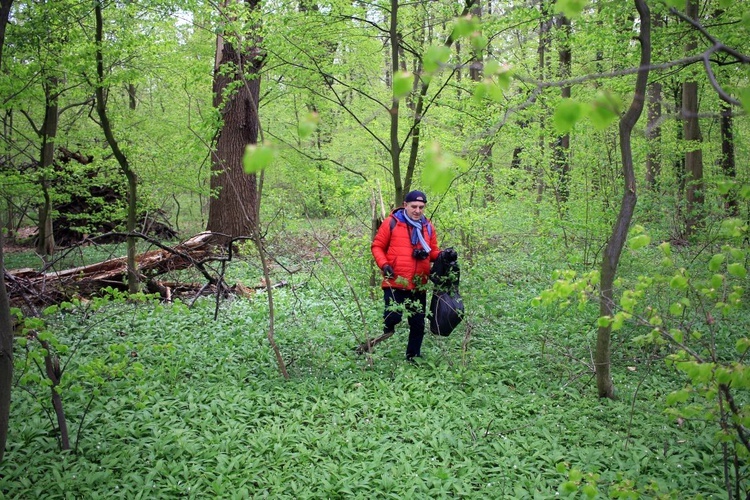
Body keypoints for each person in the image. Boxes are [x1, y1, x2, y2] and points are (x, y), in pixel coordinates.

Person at [370, 190, 441, 362]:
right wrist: (384, 264)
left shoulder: (428, 227)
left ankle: (413, 357)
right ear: (405, 205)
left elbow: (433, 252)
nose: (417, 210)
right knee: (393, 316)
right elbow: (377, 246)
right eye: (414, 206)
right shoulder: (392, 223)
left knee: (417, 324)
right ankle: (386, 331)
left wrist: (443, 256)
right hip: (395, 280)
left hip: (418, 284)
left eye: (421, 207)